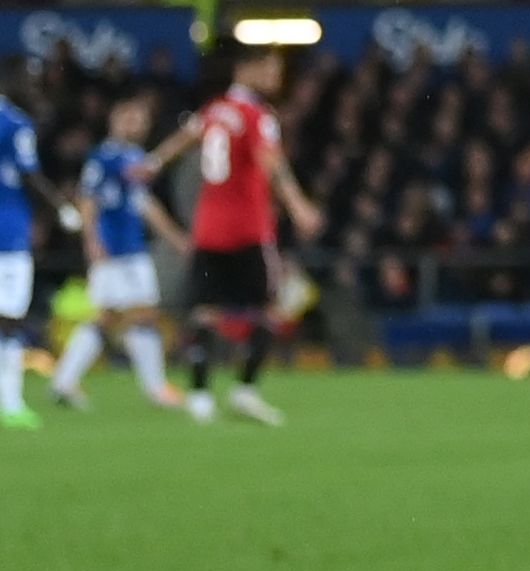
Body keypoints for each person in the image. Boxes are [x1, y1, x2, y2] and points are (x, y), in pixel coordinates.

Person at [149, 43, 323, 425]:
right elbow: (270, 162)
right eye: (272, 68)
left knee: (205, 312)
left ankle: (199, 397)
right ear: (250, 70)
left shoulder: (216, 110)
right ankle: (245, 391)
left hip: (209, 229)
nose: (277, 77)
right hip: (248, 230)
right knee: (272, 307)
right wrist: (298, 205)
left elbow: (187, 135)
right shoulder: (256, 114)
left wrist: (155, 162)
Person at [51, 85, 189, 411]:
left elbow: (145, 205)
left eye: (140, 118)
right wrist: (92, 241)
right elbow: (87, 199)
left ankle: (65, 380)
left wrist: (176, 238)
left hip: (132, 248)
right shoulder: (105, 156)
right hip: (115, 250)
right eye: (129, 116)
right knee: (136, 315)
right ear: (115, 119)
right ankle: (155, 387)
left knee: (114, 317)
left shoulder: (132, 158)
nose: (136, 123)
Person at [0, 79, 38, 431]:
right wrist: (57, 209)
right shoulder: (16, 123)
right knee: (10, 319)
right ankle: (10, 403)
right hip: (9, 234)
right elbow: (30, 175)